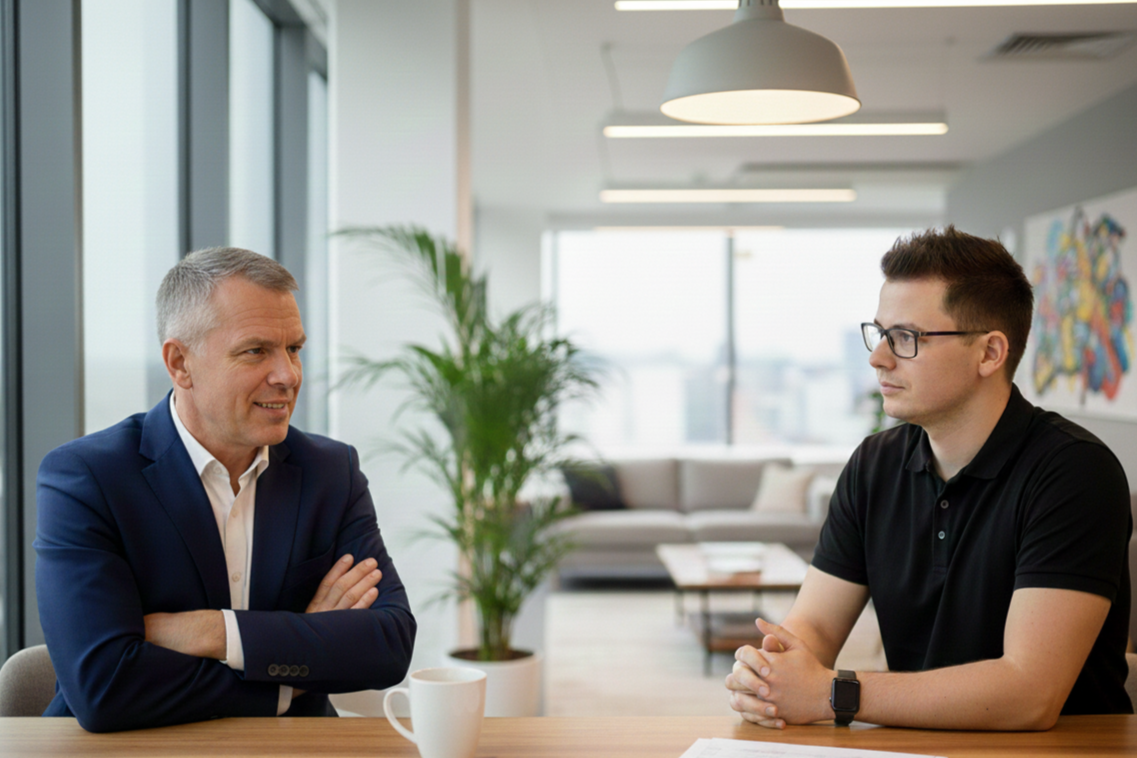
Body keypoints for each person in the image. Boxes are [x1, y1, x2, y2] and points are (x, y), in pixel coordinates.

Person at [726, 226, 1132, 730]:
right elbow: (813, 624)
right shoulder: (874, 465)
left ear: (989, 353)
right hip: (919, 744)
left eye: (906, 338)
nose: (878, 358)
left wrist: (835, 693)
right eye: (880, 333)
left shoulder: (1074, 473)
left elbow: (1030, 693)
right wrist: (771, 672)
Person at [35, 248, 415, 732]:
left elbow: (389, 645)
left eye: (294, 349)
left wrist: (214, 632)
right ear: (180, 364)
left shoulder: (330, 471)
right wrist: (294, 663)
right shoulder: (87, 479)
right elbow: (103, 686)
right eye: (256, 350)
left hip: (291, 746)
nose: (288, 375)